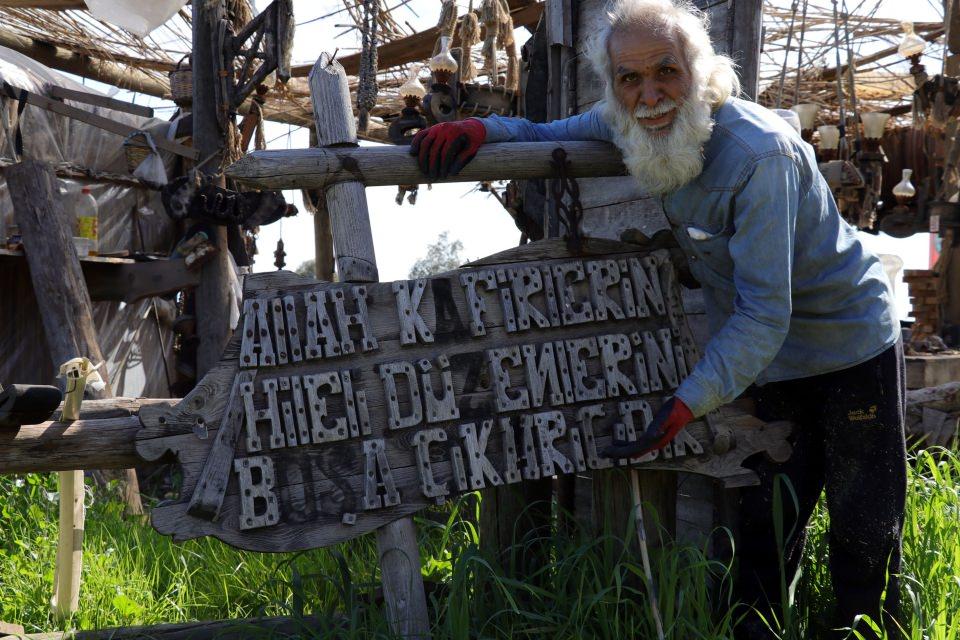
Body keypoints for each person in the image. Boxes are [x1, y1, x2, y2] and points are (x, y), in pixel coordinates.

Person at [409, 0, 907, 637]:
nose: (649, 96)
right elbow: (548, 134)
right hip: (766, 358)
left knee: (864, 531)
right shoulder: (626, 118)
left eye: (666, 72)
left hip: (849, 342)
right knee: (763, 530)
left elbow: (762, 314)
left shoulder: (762, 157)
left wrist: (683, 405)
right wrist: (484, 132)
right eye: (630, 79)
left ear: (699, 71)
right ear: (613, 85)